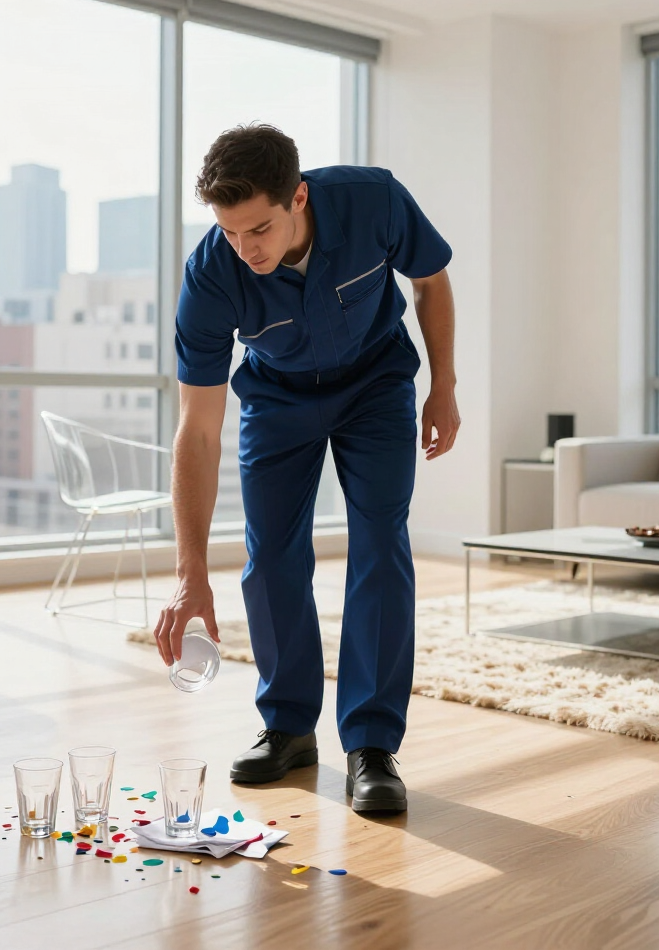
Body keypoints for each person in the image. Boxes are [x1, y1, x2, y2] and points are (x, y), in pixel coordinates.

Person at [154, 124, 459, 814]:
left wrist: (444, 386)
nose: (246, 249)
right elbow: (198, 432)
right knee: (270, 559)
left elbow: (431, 284)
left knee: (381, 542)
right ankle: (289, 727)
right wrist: (189, 576)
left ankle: (372, 745)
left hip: (376, 384)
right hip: (279, 397)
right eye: (230, 232)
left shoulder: (371, 200)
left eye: (258, 228)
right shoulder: (211, 275)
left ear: (298, 197)